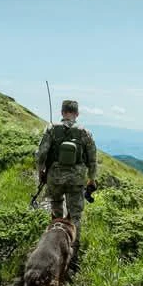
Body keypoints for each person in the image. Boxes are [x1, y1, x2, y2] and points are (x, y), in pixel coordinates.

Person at [35, 100, 98, 245]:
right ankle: (73, 249)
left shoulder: (51, 129)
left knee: (56, 212)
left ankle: (54, 242)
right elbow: (92, 159)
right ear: (77, 114)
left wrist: (41, 171)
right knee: (75, 215)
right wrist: (92, 179)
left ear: (62, 112)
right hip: (76, 179)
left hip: (55, 178)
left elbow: (41, 154)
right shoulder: (84, 132)